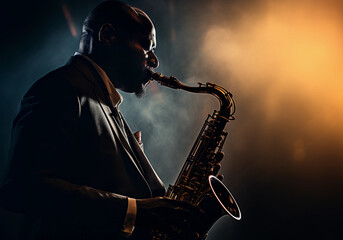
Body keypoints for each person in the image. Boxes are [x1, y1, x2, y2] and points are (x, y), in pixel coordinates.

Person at [0, 1, 202, 239]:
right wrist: (134, 211)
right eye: (148, 48)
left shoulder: (100, 97)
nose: (155, 62)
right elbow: (22, 187)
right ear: (107, 35)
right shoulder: (59, 88)